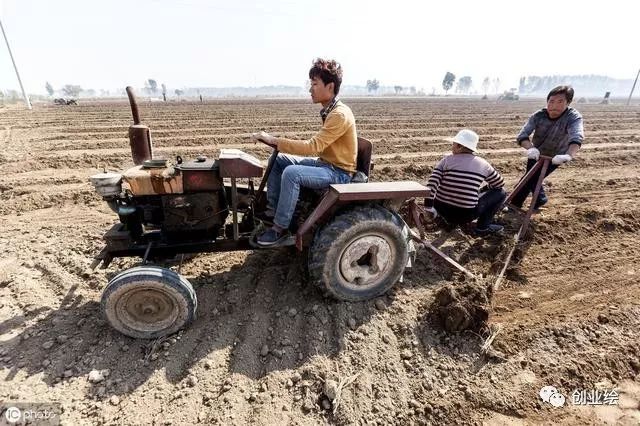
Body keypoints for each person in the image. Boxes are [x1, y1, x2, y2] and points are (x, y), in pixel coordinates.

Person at [251, 58, 357, 246]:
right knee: (278, 160)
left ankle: (280, 228)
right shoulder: (330, 110)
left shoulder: (339, 114)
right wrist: (277, 145)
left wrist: (274, 140)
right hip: (326, 164)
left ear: (330, 86)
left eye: (315, 84)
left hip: (339, 172)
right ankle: (275, 212)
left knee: (292, 174)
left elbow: (312, 147)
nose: (310, 89)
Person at [510, 85, 584, 209]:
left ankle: (515, 203)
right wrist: (530, 148)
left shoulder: (573, 117)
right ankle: (536, 200)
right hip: (537, 152)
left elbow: (577, 136)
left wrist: (568, 155)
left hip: (557, 156)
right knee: (530, 178)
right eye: (551, 101)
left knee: (532, 178)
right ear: (547, 102)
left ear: (568, 103)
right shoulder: (539, 115)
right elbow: (522, 135)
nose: (554, 105)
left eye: (560, 102)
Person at [425, 129, 506, 236]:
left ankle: (449, 223)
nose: (452, 146)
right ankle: (483, 227)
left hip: (441, 211)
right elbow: (499, 184)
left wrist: (429, 207)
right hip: (465, 215)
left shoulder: (446, 160)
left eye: (453, 144)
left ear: (459, 146)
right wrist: (483, 189)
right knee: (501, 193)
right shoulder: (483, 164)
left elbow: (432, 183)